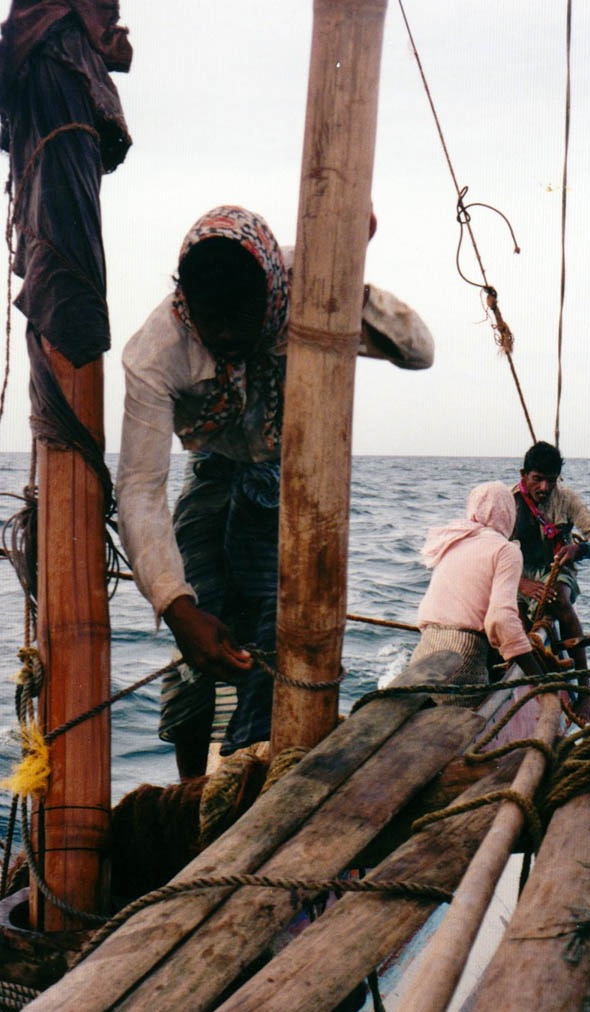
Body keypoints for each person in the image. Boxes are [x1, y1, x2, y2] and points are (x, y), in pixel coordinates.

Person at [116, 204, 434, 779]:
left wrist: (345, 285)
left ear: (270, 293)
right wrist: (175, 606)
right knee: (198, 634)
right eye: (214, 324)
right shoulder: (156, 351)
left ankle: (257, 769)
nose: (229, 337)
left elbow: (419, 352)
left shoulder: (305, 292)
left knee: (276, 633)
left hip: (291, 474)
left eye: (243, 319)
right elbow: (139, 488)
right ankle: (194, 793)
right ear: (187, 304)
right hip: (212, 468)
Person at [512, 441, 590, 722]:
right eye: (537, 479)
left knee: (558, 598)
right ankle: (525, 685)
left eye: (551, 480)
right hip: (515, 574)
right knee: (515, 621)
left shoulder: (566, 499)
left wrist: (578, 550)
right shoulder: (509, 503)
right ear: (524, 475)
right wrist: (520, 584)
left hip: (557, 571)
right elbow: (488, 552)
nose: (544, 487)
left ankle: (585, 689)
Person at [411, 481, 543, 699]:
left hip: (424, 653)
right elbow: (500, 620)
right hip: (463, 657)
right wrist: (539, 680)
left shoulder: (452, 540)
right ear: (509, 514)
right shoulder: (506, 550)